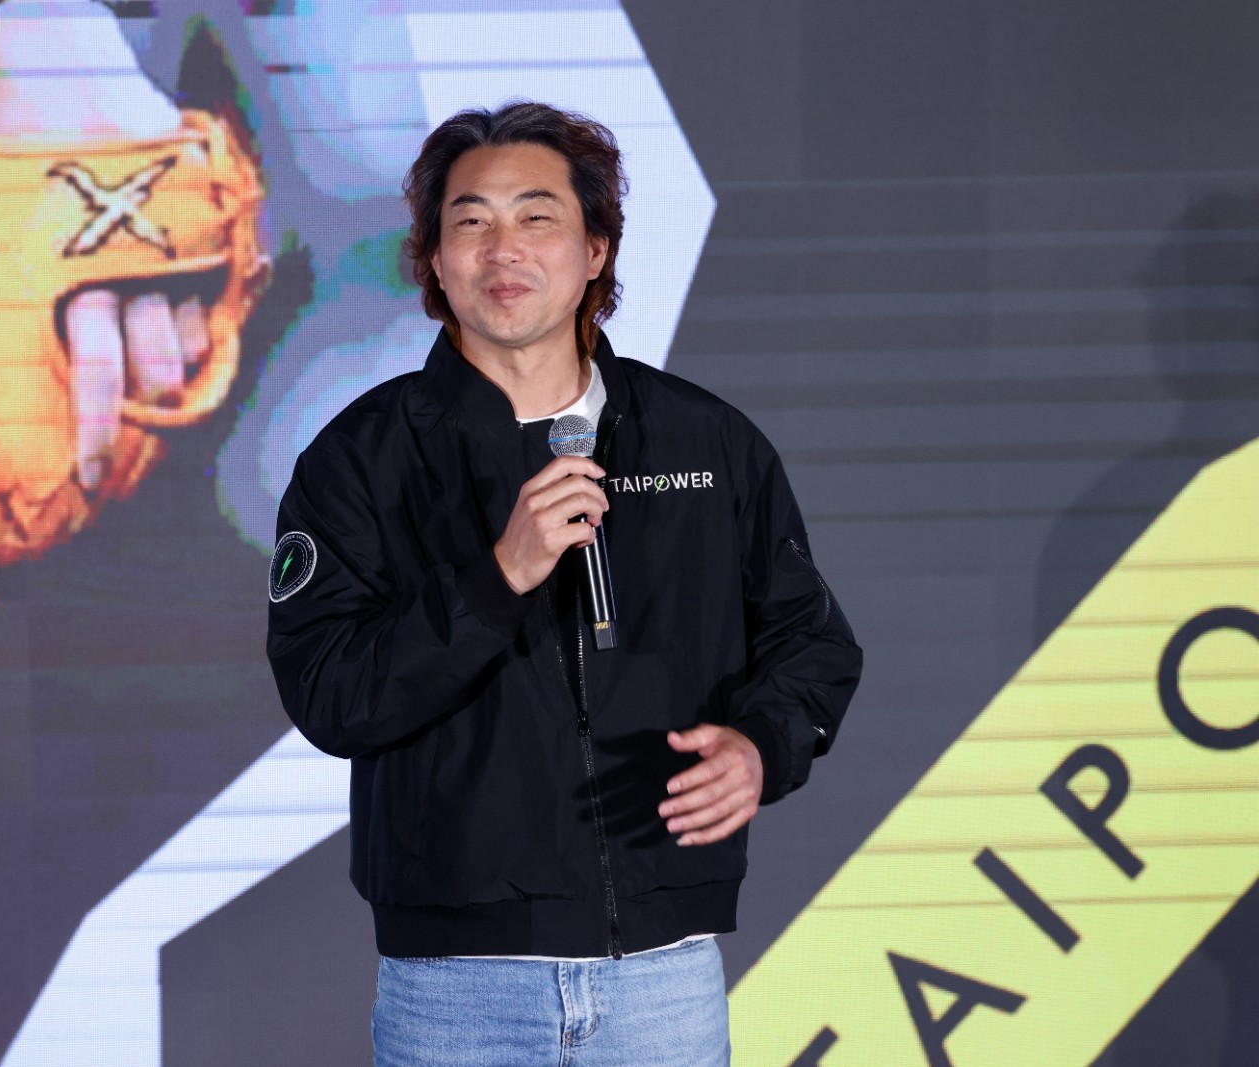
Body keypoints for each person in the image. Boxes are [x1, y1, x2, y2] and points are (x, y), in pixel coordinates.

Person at [266, 101, 864, 1065]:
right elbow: (331, 693)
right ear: (433, 260)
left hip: (662, 975)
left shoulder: (706, 441)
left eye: (536, 216)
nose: (502, 248)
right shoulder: (360, 461)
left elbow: (812, 641)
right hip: (455, 986)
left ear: (595, 250)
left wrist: (763, 745)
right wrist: (498, 576)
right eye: (470, 221)